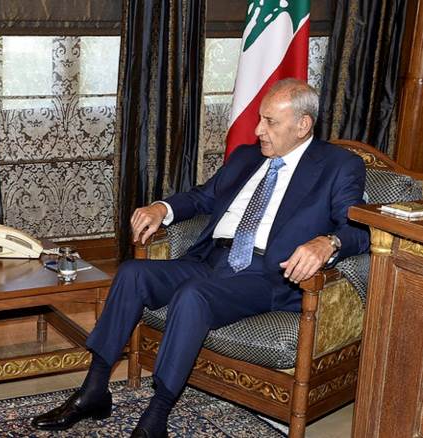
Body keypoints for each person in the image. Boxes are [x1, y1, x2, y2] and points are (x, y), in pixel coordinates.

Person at [31, 79, 369, 437]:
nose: (258, 130)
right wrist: (161, 208)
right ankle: (94, 390)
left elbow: (360, 228)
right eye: (259, 119)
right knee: (132, 273)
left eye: (270, 122)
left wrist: (328, 242)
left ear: (303, 125)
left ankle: (156, 416)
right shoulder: (247, 157)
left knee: (193, 296)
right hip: (210, 259)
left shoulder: (338, 166)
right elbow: (202, 198)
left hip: (266, 275)